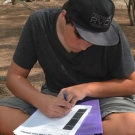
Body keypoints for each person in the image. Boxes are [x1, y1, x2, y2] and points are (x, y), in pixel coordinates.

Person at [0, 0, 135, 134]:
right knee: (2, 115)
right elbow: (14, 77)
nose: (85, 46)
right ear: (64, 16)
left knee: (130, 125)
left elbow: (132, 83)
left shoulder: (111, 31)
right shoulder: (39, 23)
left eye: (97, 39)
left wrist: (87, 89)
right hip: (55, 98)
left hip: (105, 99)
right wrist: (40, 100)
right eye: (80, 36)